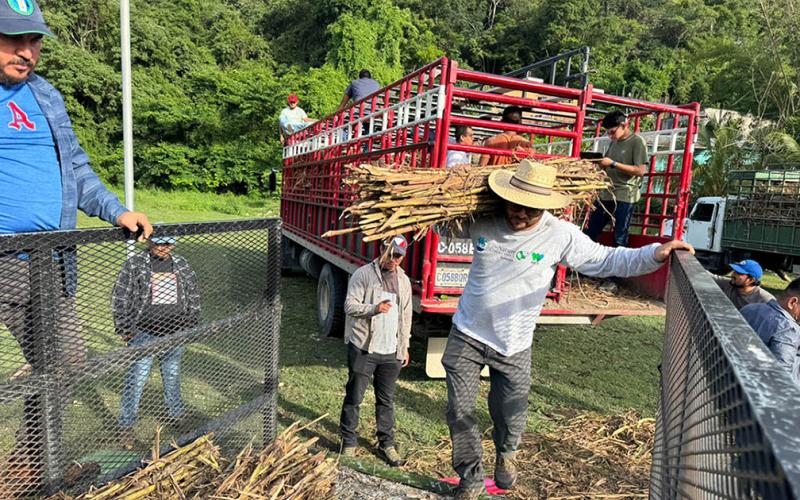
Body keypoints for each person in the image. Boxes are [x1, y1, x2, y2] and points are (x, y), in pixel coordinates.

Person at [443, 160, 694, 499]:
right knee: (459, 410)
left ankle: (507, 452)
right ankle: (470, 478)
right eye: (515, 205)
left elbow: (608, 259)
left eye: (530, 210)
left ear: (544, 207)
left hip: (515, 342)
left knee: (510, 413)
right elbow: (443, 226)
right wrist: (441, 203)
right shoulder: (483, 221)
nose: (519, 215)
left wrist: (654, 254)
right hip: (467, 332)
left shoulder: (559, 234)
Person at [0, 1, 152, 493]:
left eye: (35, 40)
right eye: (13, 39)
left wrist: (116, 210)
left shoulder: (46, 96)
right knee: (56, 363)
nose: (27, 52)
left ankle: (31, 464)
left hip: (52, 262)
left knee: (64, 362)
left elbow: (79, 173)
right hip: (4, 258)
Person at [112, 236, 201, 449]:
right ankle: (126, 425)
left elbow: (193, 294)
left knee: (172, 375)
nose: (163, 248)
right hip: (144, 333)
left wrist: (191, 323)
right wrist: (125, 328)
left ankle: (177, 414)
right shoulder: (135, 264)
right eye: (159, 243)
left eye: (168, 243)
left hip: (175, 331)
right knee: (137, 378)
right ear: (149, 242)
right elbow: (120, 296)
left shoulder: (181, 264)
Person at [339, 235, 412, 467]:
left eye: (399, 256)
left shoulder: (404, 281)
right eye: (391, 254)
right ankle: (348, 442)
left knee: (386, 400)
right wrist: (374, 309)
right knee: (355, 396)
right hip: (364, 347)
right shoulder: (363, 275)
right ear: (382, 249)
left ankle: (386, 444)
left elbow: (406, 315)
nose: (394, 260)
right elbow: (349, 306)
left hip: (391, 351)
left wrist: (405, 346)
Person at [584, 110, 648, 248]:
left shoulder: (637, 142)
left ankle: (619, 267)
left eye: (612, 132)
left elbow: (640, 171)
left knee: (620, 236)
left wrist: (613, 164)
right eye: (608, 133)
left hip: (626, 194)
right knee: (590, 231)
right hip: (607, 192)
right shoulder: (614, 142)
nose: (610, 136)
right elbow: (607, 163)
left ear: (624, 125)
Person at [741, 278, 800, 385]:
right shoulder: (789, 329)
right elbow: (781, 375)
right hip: (760, 387)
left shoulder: (749, 309)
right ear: (792, 302)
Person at [709, 259, 775, 310]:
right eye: (734, 271)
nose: (733, 274)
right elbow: (708, 276)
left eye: (739, 273)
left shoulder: (765, 300)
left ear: (751, 280)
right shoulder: (729, 284)